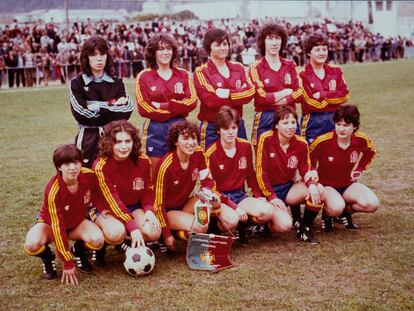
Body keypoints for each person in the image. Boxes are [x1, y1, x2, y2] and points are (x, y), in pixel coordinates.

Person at [205, 106, 292, 242]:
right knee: (231, 220)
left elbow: (251, 175)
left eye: (234, 128)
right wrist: (234, 207)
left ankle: (245, 225)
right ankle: (215, 227)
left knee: (267, 211)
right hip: (221, 198)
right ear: (218, 130)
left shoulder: (245, 146)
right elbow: (210, 188)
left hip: (239, 195)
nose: (230, 132)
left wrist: (259, 195)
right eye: (226, 129)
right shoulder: (210, 153)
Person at [24, 145, 106, 285]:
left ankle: (78, 250)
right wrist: (67, 262)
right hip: (50, 224)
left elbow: (103, 191)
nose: (73, 167)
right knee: (32, 244)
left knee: (97, 240)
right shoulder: (53, 190)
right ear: (59, 167)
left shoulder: (89, 175)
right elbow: (57, 227)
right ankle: (48, 258)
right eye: (67, 164)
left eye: (76, 162)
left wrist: (103, 208)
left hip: (77, 222)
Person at [154, 120, 239, 252]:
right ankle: (177, 233)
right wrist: (166, 234)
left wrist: (226, 203)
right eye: (185, 138)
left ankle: (210, 232)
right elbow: (158, 204)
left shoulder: (198, 152)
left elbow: (208, 183)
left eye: (194, 138)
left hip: (186, 204)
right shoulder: (165, 165)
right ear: (176, 141)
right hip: (168, 211)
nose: (191, 142)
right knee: (200, 225)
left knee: (231, 219)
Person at [91, 120, 161, 265]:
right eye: (118, 142)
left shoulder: (143, 161)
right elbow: (113, 201)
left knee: (154, 232)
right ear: (109, 143)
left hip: (132, 206)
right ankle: (102, 245)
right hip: (105, 208)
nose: (124, 146)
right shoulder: (100, 166)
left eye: (128, 141)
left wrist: (149, 210)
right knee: (116, 232)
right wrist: (133, 228)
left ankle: (126, 242)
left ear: (134, 141)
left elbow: (148, 190)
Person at [256, 106, 323, 244]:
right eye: (285, 123)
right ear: (276, 125)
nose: (290, 127)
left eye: (293, 122)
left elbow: (306, 169)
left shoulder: (301, 143)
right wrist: (271, 197)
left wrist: (311, 184)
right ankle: (264, 224)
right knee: (284, 225)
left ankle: (305, 227)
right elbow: (260, 171)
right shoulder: (266, 139)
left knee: (319, 189)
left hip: (288, 188)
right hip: (267, 191)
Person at [309, 105, 379, 231]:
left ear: (355, 127)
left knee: (372, 205)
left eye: (346, 125)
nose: (341, 129)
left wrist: (359, 168)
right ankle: (327, 213)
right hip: (327, 186)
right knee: (336, 207)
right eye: (338, 124)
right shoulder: (322, 141)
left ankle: (345, 212)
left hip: (348, 184)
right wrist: (313, 172)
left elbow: (371, 151)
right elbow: (308, 159)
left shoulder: (360, 139)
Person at [135, 33, 197, 172]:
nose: (165, 52)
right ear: (153, 53)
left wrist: (164, 105)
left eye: (168, 49)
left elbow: (192, 102)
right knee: (155, 172)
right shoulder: (144, 76)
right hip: (155, 129)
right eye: (161, 49)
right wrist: (177, 107)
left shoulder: (183, 75)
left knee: (180, 171)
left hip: (181, 127)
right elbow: (144, 108)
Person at [69, 35, 133, 168]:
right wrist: (112, 105)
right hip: (88, 139)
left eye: (102, 54)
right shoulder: (76, 83)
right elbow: (81, 114)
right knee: (88, 179)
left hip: (115, 138)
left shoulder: (117, 82)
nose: (99, 58)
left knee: (115, 179)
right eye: (93, 54)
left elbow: (126, 111)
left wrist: (93, 106)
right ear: (86, 58)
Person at [194, 28, 255, 150]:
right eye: (218, 45)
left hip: (237, 125)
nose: (223, 48)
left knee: (240, 163)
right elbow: (210, 100)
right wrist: (238, 94)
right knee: (210, 166)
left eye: (225, 44)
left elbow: (250, 93)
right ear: (208, 47)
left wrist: (226, 93)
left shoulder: (239, 67)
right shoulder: (201, 72)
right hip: (212, 127)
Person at [249, 23, 302, 147]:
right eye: (270, 38)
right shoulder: (256, 67)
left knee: (292, 158)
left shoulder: (290, 65)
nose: (274, 43)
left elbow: (300, 93)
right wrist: (286, 92)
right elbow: (261, 98)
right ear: (263, 41)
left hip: (289, 116)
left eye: (277, 38)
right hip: (265, 119)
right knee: (265, 161)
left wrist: (272, 99)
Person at [299, 34, 350, 144]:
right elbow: (309, 103)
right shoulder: (302, 75)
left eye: (324, 49)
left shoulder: (336, 71)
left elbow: (345, 95)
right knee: (310, 157)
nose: (322, 53)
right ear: (309, 52)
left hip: (335, 120)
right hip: (312, 123)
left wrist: (322, 95)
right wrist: (333, 100)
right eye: (317, 50)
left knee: (332, 157)